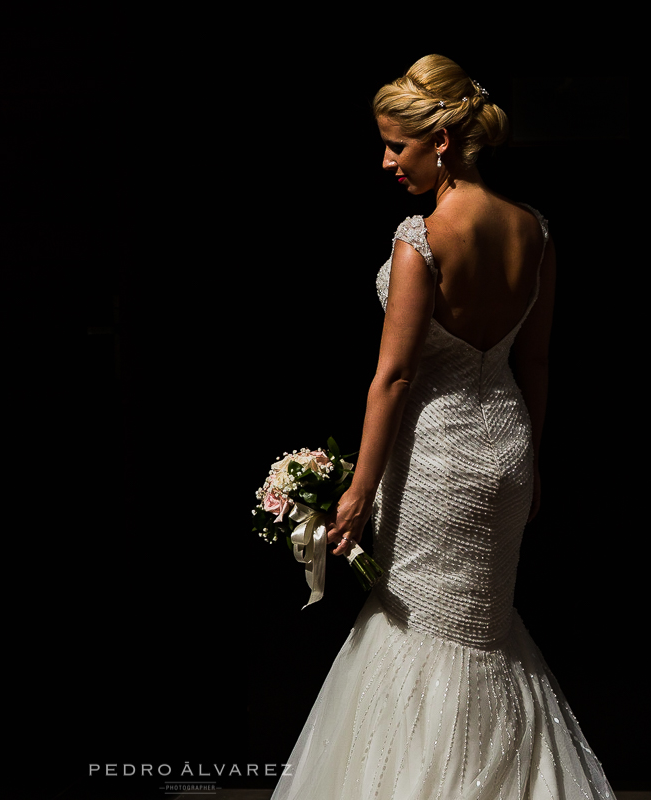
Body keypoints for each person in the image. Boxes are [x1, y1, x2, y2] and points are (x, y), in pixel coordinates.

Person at [270, 55, 616, 798]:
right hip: (507, 453)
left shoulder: (419, 237)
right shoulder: (536, 230)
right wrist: (536, 466)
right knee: (483, 632)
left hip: (435, 462)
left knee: (420, 633)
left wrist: (358, 492)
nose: (387, 160)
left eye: (398, 144)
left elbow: (392, 379)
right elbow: (539, 362)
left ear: (445, 140)